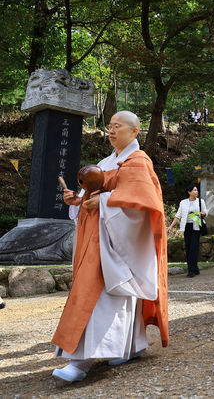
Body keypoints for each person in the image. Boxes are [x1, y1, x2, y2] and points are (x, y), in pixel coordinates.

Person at [52, 111, 169, 382]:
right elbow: (92, 193)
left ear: (135, 131)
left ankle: (80, 363)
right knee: (119, 296)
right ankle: (132, 346)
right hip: (101, 238)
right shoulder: (107, 161)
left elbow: (144, 203)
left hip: (117, 241)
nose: (112, 131)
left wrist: (103, 203)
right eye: (110, 126)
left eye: (118, 126)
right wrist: (78, 200)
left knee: (100, 296)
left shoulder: (139, 162)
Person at [168, 185, 207, 278]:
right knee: (188, 248)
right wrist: (171, 226)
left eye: (197, 190)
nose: (196, 192)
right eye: (194, 190)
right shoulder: (183, 202)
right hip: (187, 227)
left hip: (196, 226)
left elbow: (205, 213)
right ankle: (195, 268)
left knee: (194, 248)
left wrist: (199, 213)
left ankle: (191, 270)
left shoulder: (201, 202)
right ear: (189, 192)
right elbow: (178, 215)